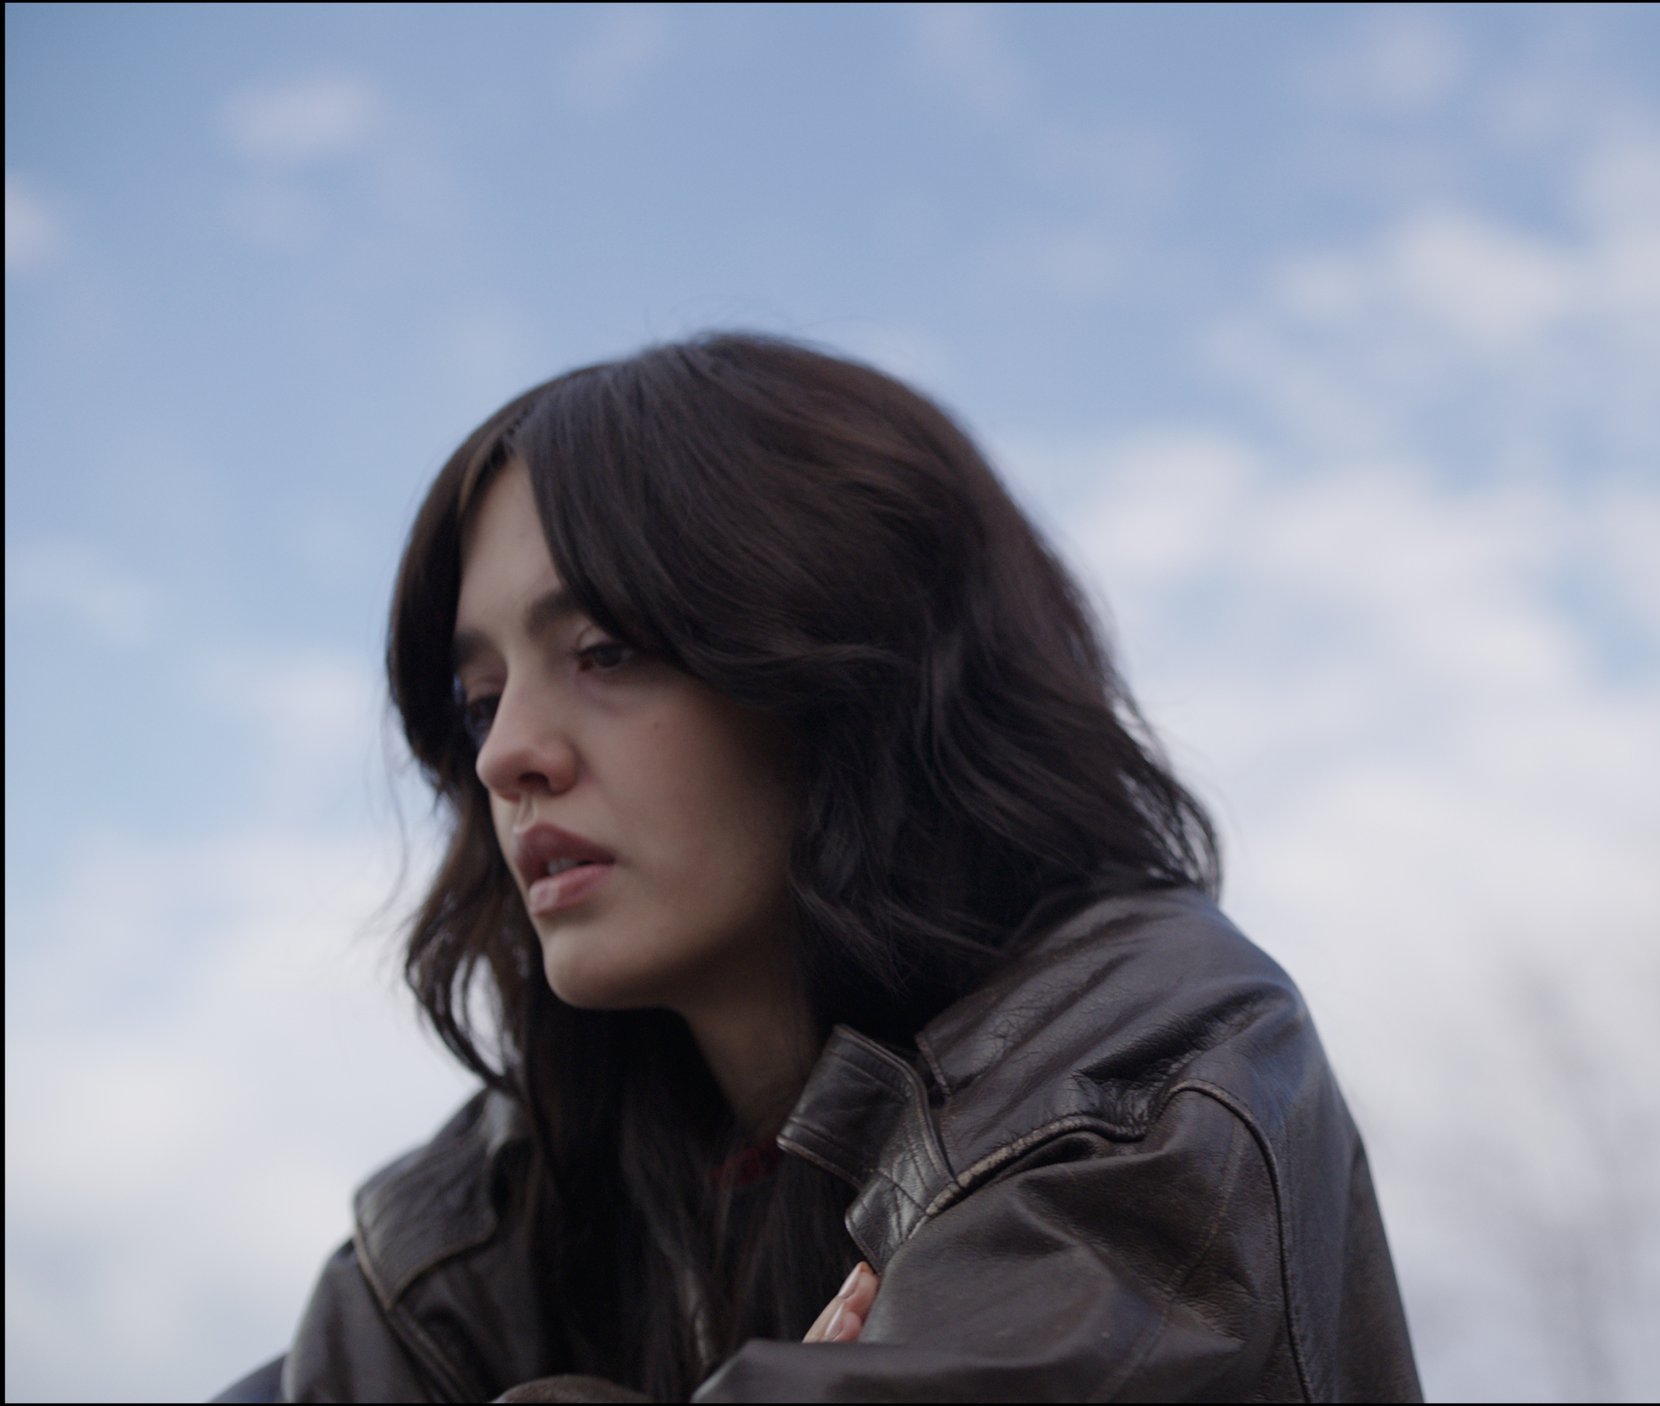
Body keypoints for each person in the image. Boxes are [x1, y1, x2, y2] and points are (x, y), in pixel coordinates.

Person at [216, 331, 1420, 1402]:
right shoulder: (477, 1219)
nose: (507, 755)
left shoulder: (1140, 1067)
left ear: (848, 663)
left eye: (605, 649)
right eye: (481, 700)